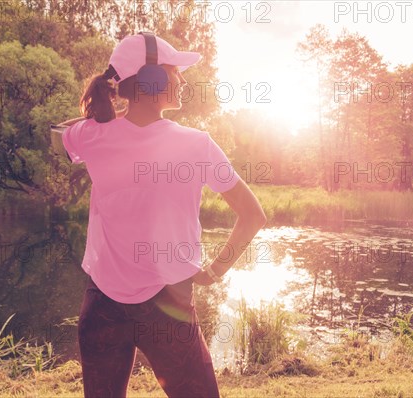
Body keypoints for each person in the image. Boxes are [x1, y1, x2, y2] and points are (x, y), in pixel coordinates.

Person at [53, 32, 267, 398]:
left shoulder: (92, 135)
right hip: (170, 307)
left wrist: (104, 116)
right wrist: (216, 270)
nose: (182, 80)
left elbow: (58, 136)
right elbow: (253, 215)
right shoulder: (197, 144)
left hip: (102, 304)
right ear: (152, 80)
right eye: (174, 72)